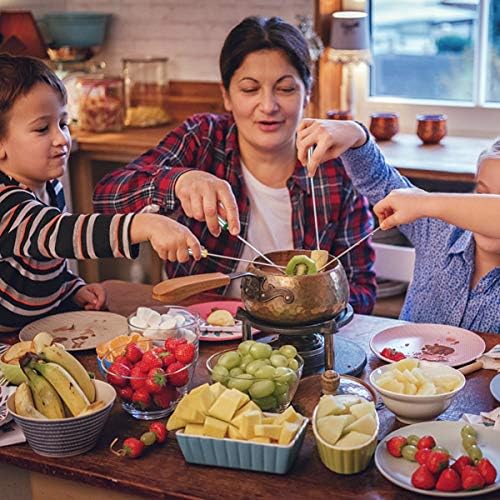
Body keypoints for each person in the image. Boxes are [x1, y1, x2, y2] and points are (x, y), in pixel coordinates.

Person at [93, 16, 377, 314]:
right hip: (200, 326)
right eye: (250, 89)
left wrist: (316, 305)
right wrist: (178, 181)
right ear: (226, 96)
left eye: (285, 89)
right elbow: (105, 198)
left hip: (302, 336)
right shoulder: (203, 139)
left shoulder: (334, 167)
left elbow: (361, 289)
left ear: (308, 93)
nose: (268, 106)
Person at [0, 54, 202, 331]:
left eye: (63, 123)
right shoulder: (5, 203)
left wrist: (71, 289)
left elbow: (46, 257)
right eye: (42, 128)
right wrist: (143, 224)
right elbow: (59, 233)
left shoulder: (49, 187)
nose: (62, 138)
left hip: (40, 326)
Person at [296, 119, 500, 333]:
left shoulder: (430, 208)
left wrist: (425, 202)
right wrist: (356, 135)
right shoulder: (440, 230)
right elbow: (376, 179)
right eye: (482, 195)